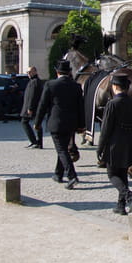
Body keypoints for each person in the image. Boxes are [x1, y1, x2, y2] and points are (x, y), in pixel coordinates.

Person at [34, 59, 85, 189]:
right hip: (71, 124)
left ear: (57, 72)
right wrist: (81, 125)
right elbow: (81, 107)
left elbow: (42, 105)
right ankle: (58, 174)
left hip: (56, 122)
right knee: (62, 148)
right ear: (69, 72)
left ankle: (72, 176)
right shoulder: (76, 86)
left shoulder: (51, 85)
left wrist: (37, 122)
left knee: (62, 150)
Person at [97, 74, 132, 215]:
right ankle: (120, 206)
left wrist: (100, 147)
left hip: (115, 143)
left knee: (112, 174)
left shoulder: (112, 104)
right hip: (130, 142)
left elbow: (105, 128)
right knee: (123, 174)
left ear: (115, 87)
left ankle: (130, 196)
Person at [20, 66, 44, 149]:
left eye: (30, 72)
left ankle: (34, 141)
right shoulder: (34, 81)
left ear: (35, 72)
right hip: (33, 107)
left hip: (31, 107)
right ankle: (38, 142)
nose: (28, 74)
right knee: (37, 124)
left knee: (24, 122)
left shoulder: (35, 82)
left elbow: (33, 96)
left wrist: (30, 108)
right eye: (27, 72)